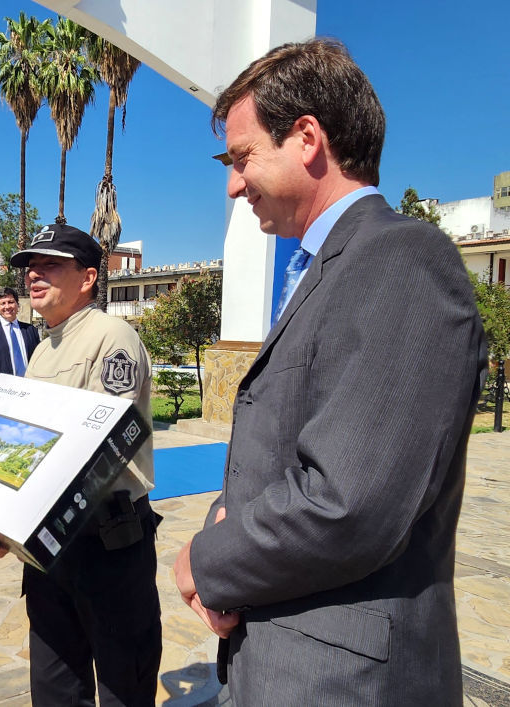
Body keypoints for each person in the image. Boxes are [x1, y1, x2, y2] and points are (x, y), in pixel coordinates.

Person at [169, 40, 487, 705]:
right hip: (276, 661)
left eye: (241, 156)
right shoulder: (325, 268)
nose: (232, 182)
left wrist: (205, 560)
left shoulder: (402, 258)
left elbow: (349, 503)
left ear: (307, 138)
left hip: (341, 683)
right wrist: (226, 513)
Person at [0, 224, 160, 706]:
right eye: (30, 266)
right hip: (51, 547)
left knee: (123, 686)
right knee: (55, 688)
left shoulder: (111, 338)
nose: (33, 273)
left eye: (50, 264)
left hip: (107, 543)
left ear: (88, 277)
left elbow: (96, 448)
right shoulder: (44, 346)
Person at [0, 287, 41, 385]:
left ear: (17, 305)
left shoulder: (30, 330)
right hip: (1, 388)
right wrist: (3, 383)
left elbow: (38, 359)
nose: (7, 307)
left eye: (11, 302)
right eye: (3, 303)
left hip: (29, 386)